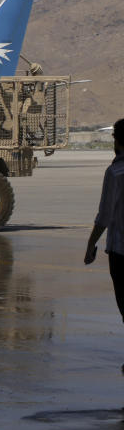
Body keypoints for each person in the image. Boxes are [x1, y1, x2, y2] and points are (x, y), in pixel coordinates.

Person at [85, 118, 124, 369]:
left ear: (117, 141)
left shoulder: (115, 172)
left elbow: (105, 215)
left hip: (120, 249)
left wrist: (91, 245)